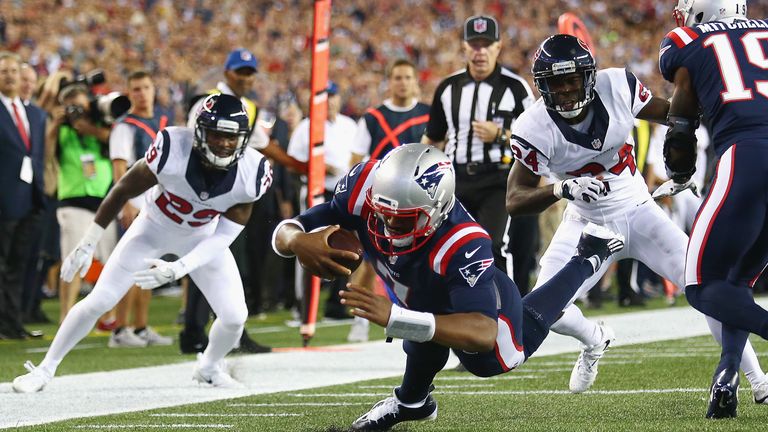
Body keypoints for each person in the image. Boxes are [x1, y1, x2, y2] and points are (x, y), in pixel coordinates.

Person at [272, 143, 625, 431]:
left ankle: (587, 257)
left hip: (479, 302)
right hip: (425, 292)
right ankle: (411, 403)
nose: (388, 225)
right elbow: (289, 227)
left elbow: (483, 332)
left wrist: (395, 318)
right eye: (382, 213)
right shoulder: (364, 187)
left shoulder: (463, 243)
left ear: (436, 210)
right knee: (424, 326)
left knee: (495, 359)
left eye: (403, 219)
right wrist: (298, 242)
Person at [505, 34, 768, 398]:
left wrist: (684, 163)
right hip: (586, 225)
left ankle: (759, 381)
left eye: (571, 80)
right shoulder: (532, 126)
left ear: (589, 76)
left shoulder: (617, 86)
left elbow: (675, 115)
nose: (565, 90)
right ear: (542, 86)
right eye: (555, 83)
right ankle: (594, 339)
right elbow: (514, 199)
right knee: (544, 308)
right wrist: (560, 190)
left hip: (641, 212)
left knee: (707, 286)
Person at [12, 93, 273, 393]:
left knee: (234, 317)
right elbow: (122, 190)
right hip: (152, 228)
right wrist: (88, 241)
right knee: (100, 299)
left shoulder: (252, 172)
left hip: (202, 237)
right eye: (216, 134)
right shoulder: (173, 147)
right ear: (200, 131)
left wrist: (179, 269)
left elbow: (225, 235)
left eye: (231, 137)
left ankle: (209, 367)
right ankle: (45, 370)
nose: (224, 143)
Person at [659, 0, 768, 418]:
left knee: (701, 286)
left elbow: (681, 127)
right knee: (736, 280)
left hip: (747, 156)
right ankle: (726, 377)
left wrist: (681, 168)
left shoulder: (687, 41)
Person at [422, 15, 539, 293]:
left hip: (499, 179)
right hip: (455, 180)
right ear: (463, 47)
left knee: (494, 245)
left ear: (499, 46)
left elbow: (538, 139)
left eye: (487, 44)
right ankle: (461, 313)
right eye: (474, 44)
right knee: (450, 247)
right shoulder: (447, 88)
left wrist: (500, 135)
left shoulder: (515, 87)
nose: (480, 51)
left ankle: (505, 313)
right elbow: (434, 138)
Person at [182, 48, 278, 354]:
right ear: (227, 73)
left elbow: (264, 147)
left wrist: (302, 167)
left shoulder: (249, 107)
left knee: (231, 263)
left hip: (232, 194)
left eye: (251, 73)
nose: (247, 78)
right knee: (203, 261)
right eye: (241, 72)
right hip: (205, 194)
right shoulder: (206, 101)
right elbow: (191, 143)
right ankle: (194, 332)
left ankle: (233, 330)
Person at [347, 58, 430, 342]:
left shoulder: (428, 114)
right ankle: (359, 319)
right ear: (389, 81)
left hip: (420, 200)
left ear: (415, 80)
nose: (403, 82)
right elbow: (356, 160)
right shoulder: (372, 117)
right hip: (380, 201)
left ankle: (420, 319)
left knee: (424, 259)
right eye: (397, 77)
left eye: (407, 77)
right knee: (371, 261)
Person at [108, 70, 172, 348]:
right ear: (129, 93)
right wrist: (124, 202)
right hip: (135, 203)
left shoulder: (162, 122)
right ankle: (120, 328)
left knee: (148, 266)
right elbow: (119, 166)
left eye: (146, 87)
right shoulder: (126, 126)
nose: (142, 93)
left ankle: (141, 326)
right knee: (128, 266)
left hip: (157, 205)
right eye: (136, 89)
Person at [287, 80, 356, 320]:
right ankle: (302, 305)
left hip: (345, 193)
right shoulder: (306, 126)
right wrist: (318, 167)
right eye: (325, 96)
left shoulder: (349, 124)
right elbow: (293, 163)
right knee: (310, 243)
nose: (330, 101)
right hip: (317, 191)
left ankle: (337, 305)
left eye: (333, 95)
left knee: (346, 246)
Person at [0, 52, 46, 339]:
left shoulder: (34, 113)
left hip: (30, 199)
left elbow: (35, 154)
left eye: (13, 71)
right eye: (4, 71)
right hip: (3, 200)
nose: (9, 75)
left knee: (19, 264)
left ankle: (12, 324)